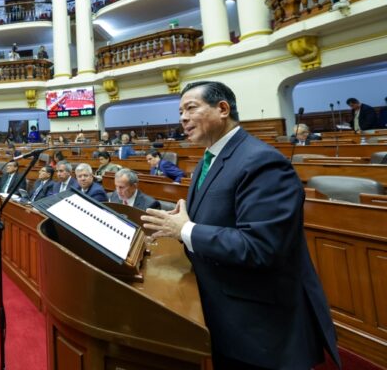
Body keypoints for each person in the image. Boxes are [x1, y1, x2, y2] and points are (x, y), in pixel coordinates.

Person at [141, 81, 339, 369]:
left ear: (223, 109)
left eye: (191, 108)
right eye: (180, 111)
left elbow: (260, 246)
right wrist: (184, 222)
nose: (182, 118)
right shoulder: (209, 158)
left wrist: (185, 229)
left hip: (261, 329)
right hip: (225, 314)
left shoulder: (262, 162)